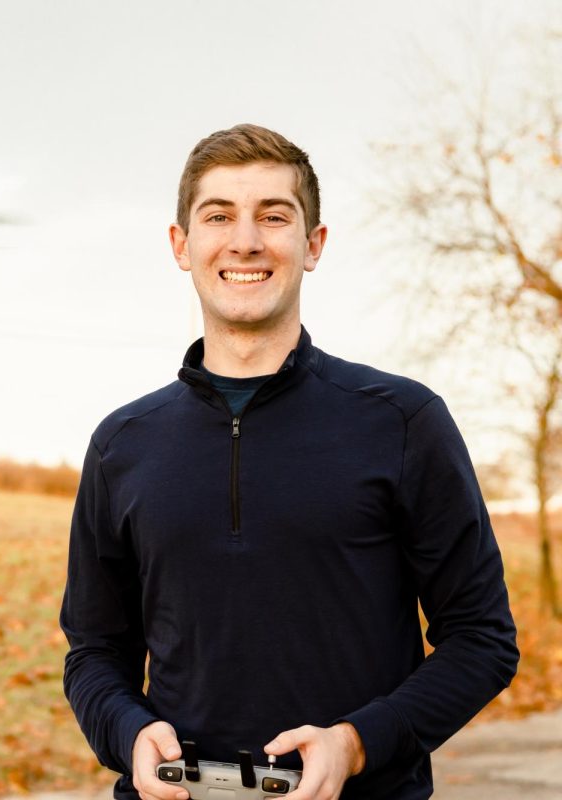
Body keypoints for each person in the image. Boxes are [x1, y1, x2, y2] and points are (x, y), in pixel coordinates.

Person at [59, 123, 519, 800]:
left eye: (273, 216)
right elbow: (95, 652)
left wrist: (358, 743)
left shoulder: (402, 420)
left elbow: (482, 639)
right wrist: (127, 732)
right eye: (219, 216)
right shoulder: (121, 444)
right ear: (181, 246)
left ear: (313, 245)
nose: (246, 240)